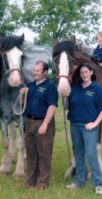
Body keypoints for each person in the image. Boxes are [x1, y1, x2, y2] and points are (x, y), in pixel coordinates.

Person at [65, 63, 102, 195]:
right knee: (79, 154)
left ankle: (98, 184)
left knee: (91, 154)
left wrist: (95, 123)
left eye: (86, 72)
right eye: (81, 73)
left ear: (91, 73)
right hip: (75, 125)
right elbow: (69, 103)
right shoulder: (75, 88)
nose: (84, 75)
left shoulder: (97, 88)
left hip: (89, 127)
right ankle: (79, 181)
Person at [20, 60, 58, 191]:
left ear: (45, 72)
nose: (34, 72)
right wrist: (22, 94)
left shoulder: (50, 87)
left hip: (43, 123)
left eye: (37, 71)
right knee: (31, 153)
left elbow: (52, 107)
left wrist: (45, 124)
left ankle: (42, 181)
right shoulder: (30, 85)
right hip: (29, 122)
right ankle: (30, 180)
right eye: (34, 70)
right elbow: (22, 104)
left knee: (44, 153)